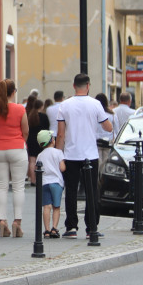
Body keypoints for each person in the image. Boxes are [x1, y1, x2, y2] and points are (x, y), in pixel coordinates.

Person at [57, 74, 112, 239]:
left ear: (74, 86)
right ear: (88, 85)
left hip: (71, 154)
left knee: (71, 191)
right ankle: (91, 227)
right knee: (91, 192)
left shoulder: (64, 105)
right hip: (90, 154)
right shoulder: (95, 104)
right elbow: (108, 127)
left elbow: (60, 134)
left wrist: (59, 155)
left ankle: (71, 227)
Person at [0, 79, 29, 238]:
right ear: (13, 92)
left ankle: (2, 220)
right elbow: (25, 131)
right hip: (17, 148)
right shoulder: (20, 109)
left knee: (2, 186)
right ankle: (17, 222)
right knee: (18, 186)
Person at [35, 130, 66, 238]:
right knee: (56, 207)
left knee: (46, 207)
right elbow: (62, 168)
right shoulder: (58, 152)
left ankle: (47, 229)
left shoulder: (40, 156)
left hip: (44, 183)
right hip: (56, 182)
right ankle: (54, 228)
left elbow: (37, 170)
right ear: (52, 140)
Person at [25, 97, 48, 185]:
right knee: (40, 160)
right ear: (41, 106)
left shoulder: (30, 116)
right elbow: (47, 129)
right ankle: (39, 179)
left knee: (32, 160)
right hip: (41, 139)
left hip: (31, 139)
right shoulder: (44, 116)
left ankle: (33, 180)